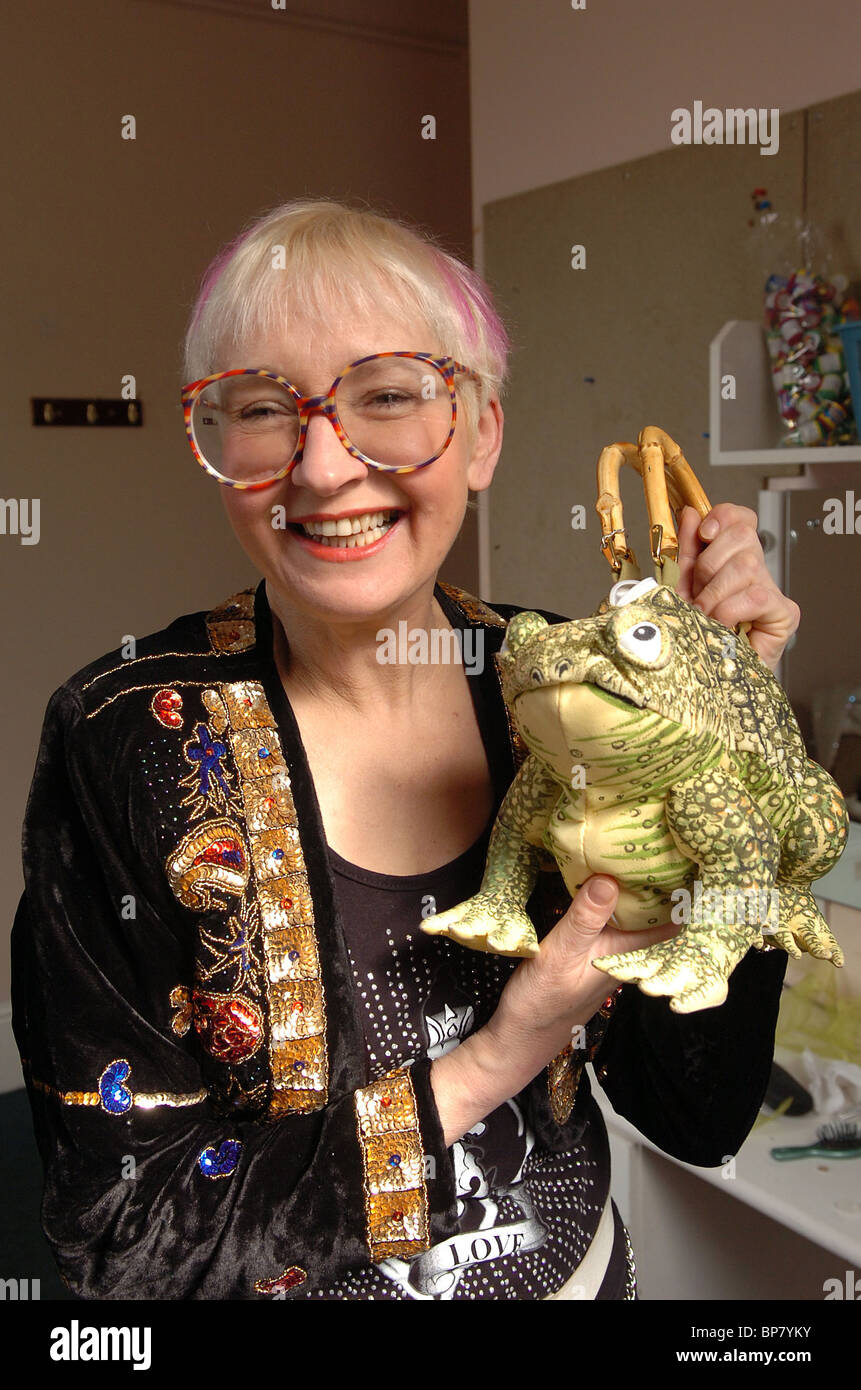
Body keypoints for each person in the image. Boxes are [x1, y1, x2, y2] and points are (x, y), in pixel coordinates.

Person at [11, 197, 800, 1301]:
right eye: (262, 410)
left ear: (481, 433)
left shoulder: (565, 694)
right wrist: (489, 1064)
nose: (325, 468)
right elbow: (123, 1242)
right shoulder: (126, 742)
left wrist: (732, 738)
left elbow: (698, 1114)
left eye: (386, 396)